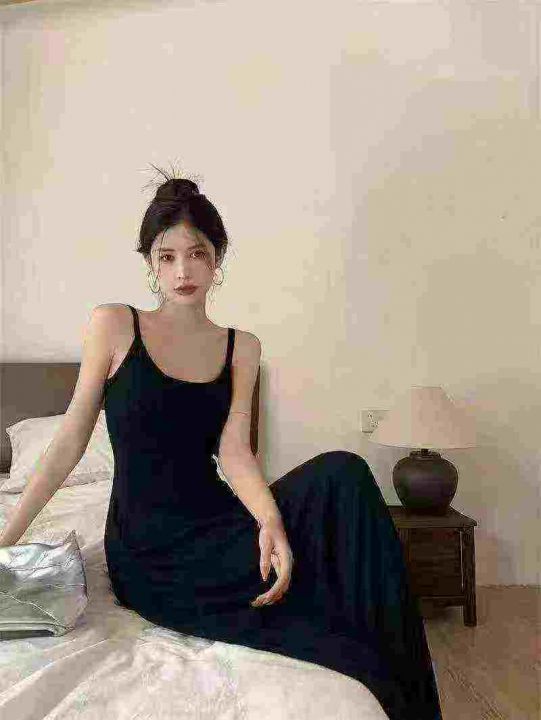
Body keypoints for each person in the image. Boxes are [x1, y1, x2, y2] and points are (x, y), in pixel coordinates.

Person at [1, 167, 443, 720]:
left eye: (197, 254)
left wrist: (269, 520)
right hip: (150, 551)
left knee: (345, 472)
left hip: (218, 521)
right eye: (167, 256)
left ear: (217, 259)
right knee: (339, 632)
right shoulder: (114, 325)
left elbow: (234, 452)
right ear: (150, 263)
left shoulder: (242, 347)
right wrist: (7, 537)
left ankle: (410, 689)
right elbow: (69, 440)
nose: (183, 271)